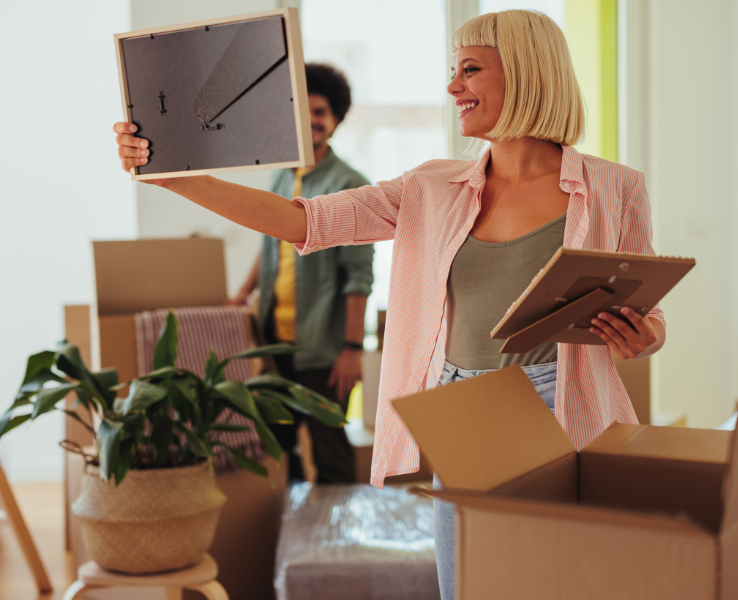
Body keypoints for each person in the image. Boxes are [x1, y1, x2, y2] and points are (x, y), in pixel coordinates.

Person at [114, 11, 665, 599]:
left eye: (470, 70)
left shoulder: (614, 188)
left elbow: (649, 318)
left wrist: (641, 336)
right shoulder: (433, 187)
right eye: (453, 71)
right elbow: (306, 220)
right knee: (467, 584)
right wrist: (175, 178)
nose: (453, 87)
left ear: (529, 75)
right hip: (463, 405)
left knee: (560, 582)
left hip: (562, 403)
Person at [228, 63, 373, 484]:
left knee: (330, 454)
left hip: (324, 351)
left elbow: (358, 276)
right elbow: (267, 242)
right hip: (275, 344)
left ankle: (335, 543)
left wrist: (351, 348)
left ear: (335, 119)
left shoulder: (350, 184)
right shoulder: (280, 175)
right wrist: (243, 292)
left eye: (321, 112)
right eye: (303, 111)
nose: (312, 121)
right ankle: (292, 539)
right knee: (279, 449)